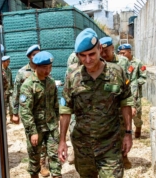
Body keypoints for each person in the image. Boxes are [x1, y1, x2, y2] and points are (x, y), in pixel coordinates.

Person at [58, 28, 133, 177]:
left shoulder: (117, 72)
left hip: (110, 143)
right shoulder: (73, 78)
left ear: (99, 49)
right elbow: (65, 111)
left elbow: (126, 102)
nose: (87, 60)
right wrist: (62, 141)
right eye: (82, 56)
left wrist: (128, 133)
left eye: (91, 54)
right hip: (83, 146)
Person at [19, 51, 62, 178]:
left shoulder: (51, 82)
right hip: (36, 128)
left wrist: (57, 120)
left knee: (55, 155)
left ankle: (56, 175)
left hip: (51, 126)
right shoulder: (28, 85)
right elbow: (25, 111)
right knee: (34, 157)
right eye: (44, 68)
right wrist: (32, 131)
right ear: (36, 67)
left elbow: (55, 103)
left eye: (49, 67)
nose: (47, 70)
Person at [11, 44, 50, 176]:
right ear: (29, 57)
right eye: (34, 55)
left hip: (43, 113)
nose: (36, 57)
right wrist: (14, 112)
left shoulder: (44, 69)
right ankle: (34, 165)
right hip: (29, 113)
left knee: (44, 141)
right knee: (33, 141)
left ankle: (43, 164)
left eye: (38, 54)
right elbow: (16, 93)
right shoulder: (22, 73)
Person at [99, 37, 135, 169]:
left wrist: (133, 105)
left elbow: (129, 84)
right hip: (105, 102)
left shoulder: (123, 62)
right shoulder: (99, 62)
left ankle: (124, 156)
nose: (103, 54)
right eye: (101, 51)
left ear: (112, 49)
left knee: (122, 129)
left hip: (120, 100)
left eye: (106, 51)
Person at [118, 44, 147, 138]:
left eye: (124, 53)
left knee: (137, 113)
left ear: (129, 52)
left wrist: (134, 83)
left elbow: (143, 77)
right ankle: (126, 131)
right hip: (123, 92)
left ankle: (138, 127)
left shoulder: (138, 63)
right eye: (120, 53)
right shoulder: (119, 63)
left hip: (135, 93)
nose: (122, 55)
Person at [2, 56, 14, 123]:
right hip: (3, 91)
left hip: (10, 90)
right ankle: (4, 119)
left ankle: (11, 118)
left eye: (9, 61)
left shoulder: (9, 70)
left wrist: (13, 89)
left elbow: (11, 80)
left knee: (12, 104)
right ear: (3, 62)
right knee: (4, 106)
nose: (9, 63)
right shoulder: (0, 70)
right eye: (7, 61)